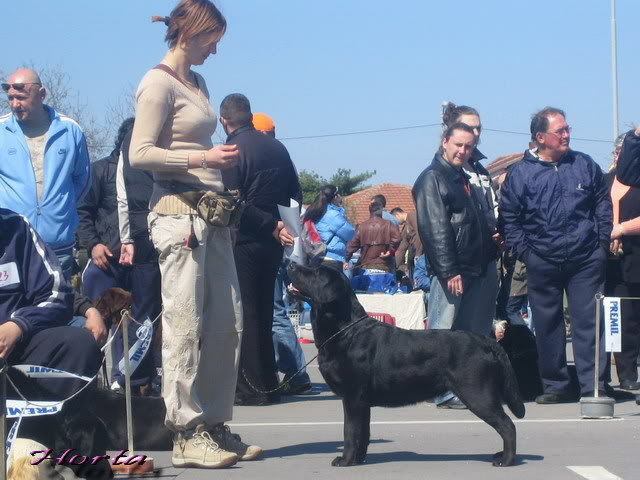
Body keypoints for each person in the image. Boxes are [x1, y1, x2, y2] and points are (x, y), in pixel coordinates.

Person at [128, 0, 259, 469]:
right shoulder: (156, 83)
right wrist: (203, 159)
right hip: (176, 215)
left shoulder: (197, 83)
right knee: (183, 324)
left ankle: (214, 424)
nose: (215, 52)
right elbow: (140, 153)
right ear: (190, 34)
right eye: (212, 41)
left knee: (227, 322)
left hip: (211, 216)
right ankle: (184, 433)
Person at [500, 107, 612, 403]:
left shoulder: (584, 164)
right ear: (540, 137)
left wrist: (601, 245)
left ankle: (593, 387)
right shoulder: (521, 174)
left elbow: (602, 203)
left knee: (589, 323)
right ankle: (555, 386)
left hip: (586, 259)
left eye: (567, 129)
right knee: (548, 326)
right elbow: (510, 219)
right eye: (559, 131)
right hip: (542, 260)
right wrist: (527, 253)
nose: (566, 135)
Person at [218, 94, 301, 405]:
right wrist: (284, 227)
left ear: (223, 121)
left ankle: (252, 387)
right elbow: (295, 193)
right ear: (250, 116)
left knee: (244, 315)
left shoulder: (231, 151)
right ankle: (268, 381)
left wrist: (270, 225)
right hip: (273, 242)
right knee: (265, 313)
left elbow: (233, 201)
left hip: (244, 239)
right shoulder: (277, 148)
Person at [413, 123, 497, 408]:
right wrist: (449, 270)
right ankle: (439, 391)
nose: (463, 151)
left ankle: (463, 387)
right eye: (458, 144)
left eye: (469, 146)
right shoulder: (432, 178)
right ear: (444, 142)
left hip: (474, 268)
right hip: (453, 271)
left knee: (466, 335)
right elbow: (435, 228)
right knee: (441, 334)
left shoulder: (461, 177)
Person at [78, 118, 161, 395]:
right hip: (107, 260)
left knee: (141, 322)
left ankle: (135, 381)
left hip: (143, 259)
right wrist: (93, 245)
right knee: (101, 320)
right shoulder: (101, 170)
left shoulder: (151, 171)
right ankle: (90, 381)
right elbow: (83, 212)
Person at [0, 207, 102, 401]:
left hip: (16, 346)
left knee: (78, 342)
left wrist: (18, 326)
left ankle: (59, 428)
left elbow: (56, 294)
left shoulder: (17, 227)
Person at [0, 69, 91, 280]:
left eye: (21, 98)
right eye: (11, 98)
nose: (15, 104)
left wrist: (60, 206)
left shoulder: (70, 130)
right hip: (10, 242)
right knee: (11, 309)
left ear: (41, 94)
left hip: (57, 245)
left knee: (57, 308)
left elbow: (82, 180)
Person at [251, 113, 314, 396]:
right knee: (274, 312)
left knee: (274, 313)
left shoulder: (262, 160)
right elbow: (295, 199)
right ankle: (289, 373)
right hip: (281, 242)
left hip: (268, 242)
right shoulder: (283, 159)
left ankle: (295, 373)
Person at [604, 132, 640, 391]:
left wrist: (621, 229)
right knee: (617, 321)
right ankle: (623, 374)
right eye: (618, 154)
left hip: (636, 258)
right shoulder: (603, 181)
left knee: (634, 321)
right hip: (609, 263)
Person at [302, 184, 355, 273]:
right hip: (332, 258)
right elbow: (350, 234)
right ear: (335, 197)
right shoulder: (332, 215)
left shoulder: (318, 211)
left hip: (319, 256)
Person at [345, 200, 401, 273]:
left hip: (366, 265)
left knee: (367, 284)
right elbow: (397, 238)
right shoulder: (388, 224)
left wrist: (346, 259)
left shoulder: (362, 227)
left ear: (370, 211)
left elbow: (352, 245)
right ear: (381, 211)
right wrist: (390, 251)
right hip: (383, 264)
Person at [391, 207, 423, 284]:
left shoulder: (412, 216)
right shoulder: (405, 228)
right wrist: (396, 264)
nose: (396, 223)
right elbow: (402, 247)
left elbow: (419, 234)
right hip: (413, 255)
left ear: (397, 215)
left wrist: (418, 254)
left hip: (421, 253)